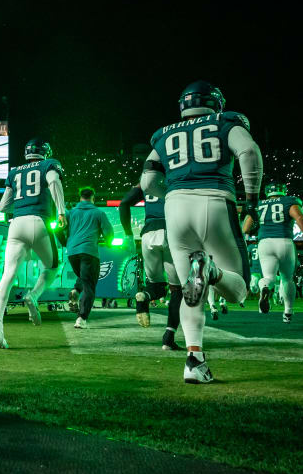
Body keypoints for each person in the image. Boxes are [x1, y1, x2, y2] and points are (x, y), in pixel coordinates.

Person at [141, 81, 257, 385]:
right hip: (215, 199)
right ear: (216, 102)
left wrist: (175, 190)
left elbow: (148, 181)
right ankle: (212, 271)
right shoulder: (225, 120)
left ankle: (195, 360)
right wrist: (252, 201)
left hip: (175, 208)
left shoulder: (164, 134)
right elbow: (248, 150)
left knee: (191, 293)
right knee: (240, 288)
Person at [0, 138, 67, 347]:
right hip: (39, 221)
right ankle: (34, 295)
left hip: (16, 224)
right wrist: (61, 211)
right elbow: (53, 182)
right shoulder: (47, 164)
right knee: (52, 267)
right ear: (45, 152)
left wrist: (21, 205)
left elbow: (3, 206)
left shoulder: (14, 171)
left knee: (7, 275)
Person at [120, 184, 182, 349]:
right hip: (171, 230)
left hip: (148, 234)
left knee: (156, 286)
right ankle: (168, 337)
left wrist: (127, 233)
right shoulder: (177, 177)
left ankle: (144, 297)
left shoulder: (147, 181)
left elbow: (124, 203)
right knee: (177, 289)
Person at [241, 182, 303, 323]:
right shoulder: (288, 201)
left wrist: (258, 224)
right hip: (284, 241)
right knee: (287, 279)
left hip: (265, 243)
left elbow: (246, 228)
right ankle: (288, 312)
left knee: (268, 277)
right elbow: (300, 217)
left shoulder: (259, 204)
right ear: (282, 191)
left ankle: (265, 288)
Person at [64, 186, 111, 329]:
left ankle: (76, 291)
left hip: (72, 253)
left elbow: (60, 229)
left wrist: (67, 244)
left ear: (80, 197)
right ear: (93, 197)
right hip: (89, 252)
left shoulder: (70, 213)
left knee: (84, 278)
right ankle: (82, 318)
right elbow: (109, 234)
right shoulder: (99, 213)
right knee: (90, 285)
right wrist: (107, 241)